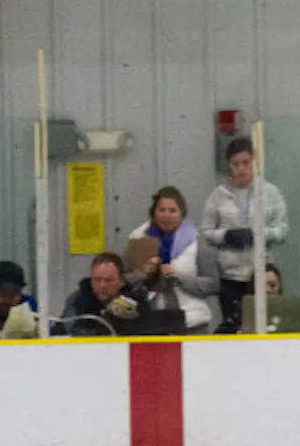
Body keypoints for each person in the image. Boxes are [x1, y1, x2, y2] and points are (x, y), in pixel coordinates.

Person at [200, 136, 288, 332]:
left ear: (255, 162)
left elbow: (282, 230)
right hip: (230, 275)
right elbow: (206, 231)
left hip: (260, 273)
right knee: (234, 327)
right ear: (228, 165)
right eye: (235, 164)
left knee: (263, 325)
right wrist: (226, 236)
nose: (241, 168)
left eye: (246, 163)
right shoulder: (218, 195)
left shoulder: (270, 192)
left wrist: (258, 234)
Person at [126, 185, 216, 333]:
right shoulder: (138, 239)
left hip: (191, 322)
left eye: (172, 211)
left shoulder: (197, 241)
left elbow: (212, 284)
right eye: (162, 210)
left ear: (182, 213)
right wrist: (142, 274)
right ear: (153, 212)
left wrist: (180, 277)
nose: (167, 215)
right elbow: (124, 280)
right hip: (149, 321)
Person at [59, 252, 147, 336]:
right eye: (97, 279)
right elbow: (73, 331)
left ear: (121, 281)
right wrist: (102, 326)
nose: (102, 285)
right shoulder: (78, 299)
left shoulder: (134, 298)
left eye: (108, 280)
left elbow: (146, 331)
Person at [239, 263, 300, 332]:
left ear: (279, 287)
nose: (267, 290)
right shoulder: (242, 316)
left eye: (272, 285)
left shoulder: (292, 314)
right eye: (261, 286)